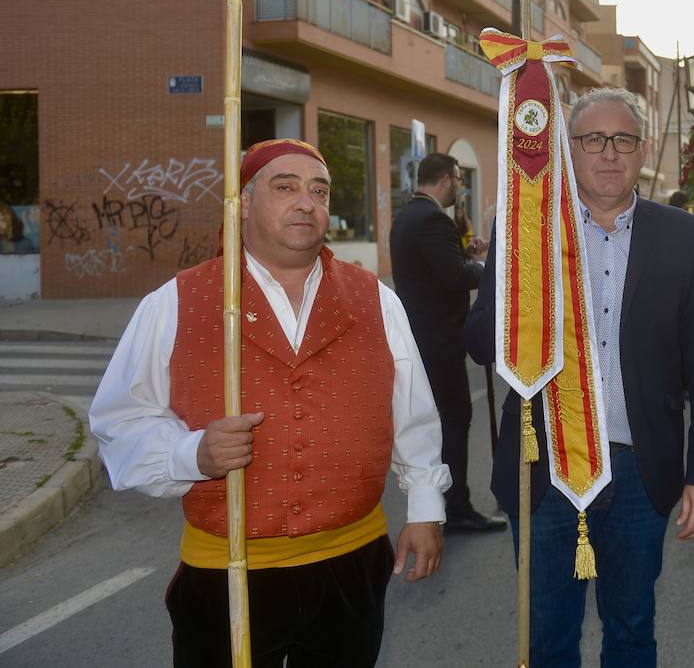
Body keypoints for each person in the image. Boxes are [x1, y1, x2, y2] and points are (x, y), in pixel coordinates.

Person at [89, 138, 450, 668]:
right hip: (228, 569)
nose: (306, 202)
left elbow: (414, 414)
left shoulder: (376, 298)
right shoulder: (176, 302)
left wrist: (425, 508)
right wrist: (192, 454)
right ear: (242, 204)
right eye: (285, 187)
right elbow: (120, 420)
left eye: (319, 191)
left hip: (351, 564)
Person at [466, 88, 694, 667]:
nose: (609, 153)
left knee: (632, 631)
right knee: (546, 639)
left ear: (642, 152)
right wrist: (525, 287)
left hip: (640, 467)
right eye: (592, 140)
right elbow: (480, 342)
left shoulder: (680, 235)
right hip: (545, 468)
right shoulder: (526, 229)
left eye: (623, 140)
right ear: (568, 148)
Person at [390, 152, 505, 533]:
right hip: (439, 339)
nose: (461, 186)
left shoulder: (408, 215)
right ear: (445, 179)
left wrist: (465, 254)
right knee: (455, 421)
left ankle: (442, 503)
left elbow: (434, 266)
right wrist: (485, 267)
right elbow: (454, 277)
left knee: (438, 423)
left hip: (422, 337)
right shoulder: (434, 219)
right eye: (459, 179)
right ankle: (457, 508)